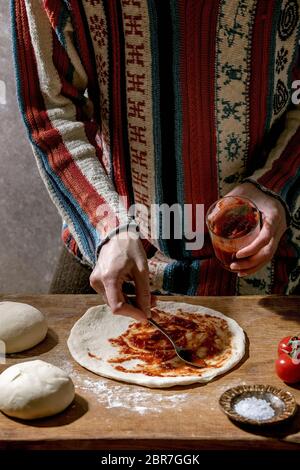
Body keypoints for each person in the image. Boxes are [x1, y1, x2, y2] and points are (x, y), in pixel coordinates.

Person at [11, 0, 299, 322]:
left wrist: (277, 184)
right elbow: (50, 109)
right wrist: (106, 225)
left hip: (265, 249)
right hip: (114, 243)